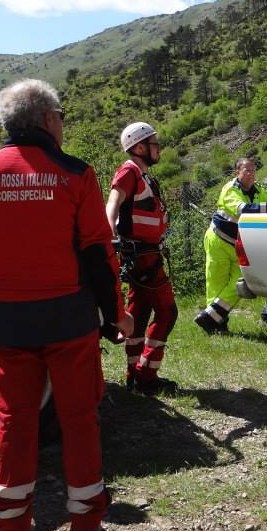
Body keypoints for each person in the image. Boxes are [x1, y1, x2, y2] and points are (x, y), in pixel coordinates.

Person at [0, 79, 134, 531]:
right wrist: (116, 315)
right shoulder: (74, 173)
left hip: (9, 321)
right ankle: (84, 527)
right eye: (61, 116)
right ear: (47, 119)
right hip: (69, 319)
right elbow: (98, 253)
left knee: (14, 421)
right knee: (79, 420)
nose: (62, 124)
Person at [105, 121, 179, 396]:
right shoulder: (129, 172)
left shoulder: (144, 176)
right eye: (154, 143)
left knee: (138, 313)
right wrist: (109, 236)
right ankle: (146, 376)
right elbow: (113, 202)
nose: (158, 148)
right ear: (139, 147)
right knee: (167, 312)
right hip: (143, 256)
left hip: (144, 254)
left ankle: (133, 374)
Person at [195, 157, 267, 334]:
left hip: (238, 245)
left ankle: (210, 318)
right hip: (218, 241)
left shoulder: (257, 189)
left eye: (253, 170)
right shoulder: (230, 189)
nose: (251, 174)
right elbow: (242, 209)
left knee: (240, 282)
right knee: (216, 283)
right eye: (247, 170)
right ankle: (217, 325)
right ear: (237, 172)